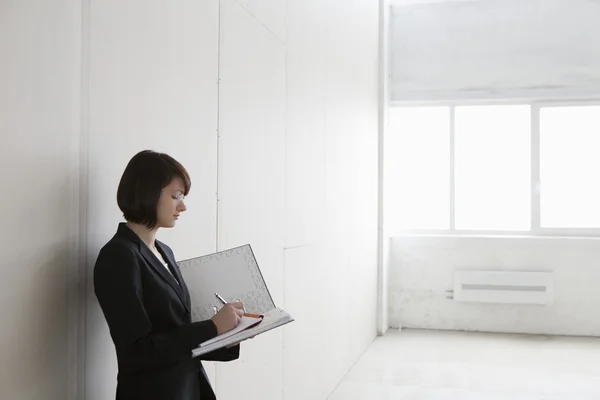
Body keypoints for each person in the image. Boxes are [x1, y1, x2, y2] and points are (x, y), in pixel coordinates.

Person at [94, 150, 244, 400]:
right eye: (176, 196)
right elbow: (137, 352)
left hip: (187, 389)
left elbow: (177, 335)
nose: (183, 206)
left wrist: (228, 334)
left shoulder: (165, 252)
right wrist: (211, 327)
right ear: (147, 193)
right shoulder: (118, 256)